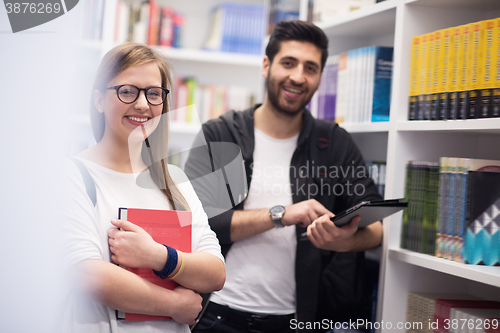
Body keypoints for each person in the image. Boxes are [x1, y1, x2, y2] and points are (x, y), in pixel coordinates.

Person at [185, 20, 383, 333]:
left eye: (310, 68)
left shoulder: (334, 142)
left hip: (297, 321)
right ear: (266, 65)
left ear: (319, 78)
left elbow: (376, 226)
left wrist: (344, 242)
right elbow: (199, 221)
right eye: (288, 63)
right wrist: (282, 215)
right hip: (215, 314)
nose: (297, 77)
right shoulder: (220, 134)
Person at [60, 43, 225, 333]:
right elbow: (89, 275)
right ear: (99, 99)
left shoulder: (175, 181)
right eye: (127, 91)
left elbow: (215, 272)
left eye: (153, 93)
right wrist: (174, 305)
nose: (142, 104)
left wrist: (159, 256)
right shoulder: (70, 174)